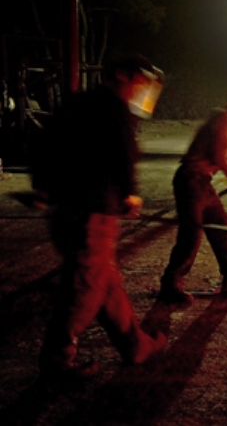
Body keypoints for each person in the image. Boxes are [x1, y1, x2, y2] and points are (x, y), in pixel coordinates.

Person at [33, 53, 167, 380]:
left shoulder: (75, 104)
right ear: (122, 75)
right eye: (140, 81)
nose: (142, 90)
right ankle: (57, 359)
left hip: (64, 210)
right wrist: (129, 193)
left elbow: (42, 144)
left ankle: (135, 346)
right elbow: (122, 154)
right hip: (92, 212)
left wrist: (43, 187)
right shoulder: (114, 109)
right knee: (85, 286)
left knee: (105, 282)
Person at [157, 85, 227, 307]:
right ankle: (171, 283)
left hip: (201, 183)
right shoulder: (223, 120)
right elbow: (220, 156)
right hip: (191, 181)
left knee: (221, 225)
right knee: (191, 234)